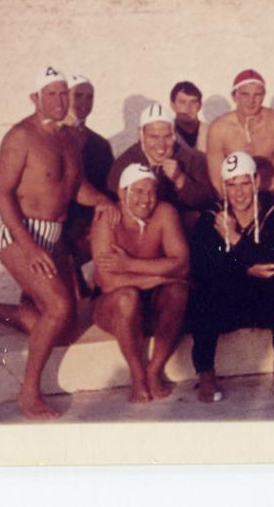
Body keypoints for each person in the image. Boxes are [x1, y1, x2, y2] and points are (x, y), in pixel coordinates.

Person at [0, 66, 120, 420]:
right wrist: (30, 247)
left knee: (64, 327)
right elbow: (0, 195)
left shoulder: (71, 138)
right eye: (52, 94)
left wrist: (103, 201)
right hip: (20, 234)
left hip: (54, 237)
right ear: (35, 99)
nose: (60, 101)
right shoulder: (20, 137)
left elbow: (75, 189)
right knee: (58, 308)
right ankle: (29, 393)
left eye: (64, 94)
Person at [188, 151, 274, 403]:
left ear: (257, 182)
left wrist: (236, 240)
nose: (239, 193)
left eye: (245, 183)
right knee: (203, 292)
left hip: (266, 303)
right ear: (223, 187)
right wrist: (246, 268)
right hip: (229, 302)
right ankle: (205, 371)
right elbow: (201, 268)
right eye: (231, 185)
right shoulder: (211, 219)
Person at [91, 163, 191, 403]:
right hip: (113, 306)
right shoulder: (107, 219)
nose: (146, 200)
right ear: (122, 193)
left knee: (178, 292)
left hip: (154, 304)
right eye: (138, 191)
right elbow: (107, 282)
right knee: (127, 297)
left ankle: (154, 370)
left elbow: (183, 264)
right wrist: (159, 276)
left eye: (151, 192)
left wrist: (129, 265)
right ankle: (137, 375)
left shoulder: (165, 213)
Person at [109, 101, 215, 230]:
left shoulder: (192, 159)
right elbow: (112, 204)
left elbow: (208, 201)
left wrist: (180, 180)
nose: (161, 144)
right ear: (141, 135)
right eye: (153, 137)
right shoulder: (125, 162)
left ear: (174, 135)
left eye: (167, 136)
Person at [206, 69, 274, 202]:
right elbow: (218, 184)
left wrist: (253, 188)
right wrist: (243, 194)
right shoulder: (218, 128)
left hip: (268, 190)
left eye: (257, 95)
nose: (251, 101)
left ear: (264, 96)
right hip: (236, 196)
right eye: (245, 94)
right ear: (234, 96)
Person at [62, 74, 115, 277]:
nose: (84, 102)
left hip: (87, 222)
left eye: (89, 97)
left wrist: (97, 225)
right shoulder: (50, 137)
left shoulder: (100, 145)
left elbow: (106, 190)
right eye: (79, 95)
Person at [170, 80, 209, 152]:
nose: (188, 108)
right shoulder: (165, 133)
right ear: (172, 105)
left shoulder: (212, 132)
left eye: (193, 102)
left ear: (200, 105)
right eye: (182, 102)